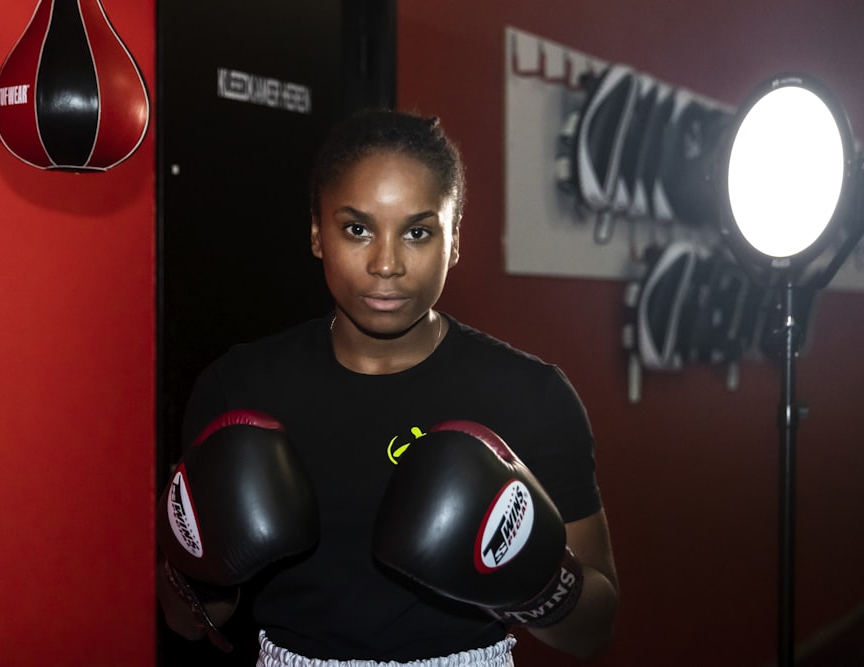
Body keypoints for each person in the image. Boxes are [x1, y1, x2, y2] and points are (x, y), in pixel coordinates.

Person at [156, 109, 619, 666]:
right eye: (357, 228)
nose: (386, 263)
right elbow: (184, 623)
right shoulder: (239, 385)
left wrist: (538, 582)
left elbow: (594, 627)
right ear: (315, 232)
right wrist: (202, 571)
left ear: (454, 242)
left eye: (418, 232)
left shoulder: (529, 395)